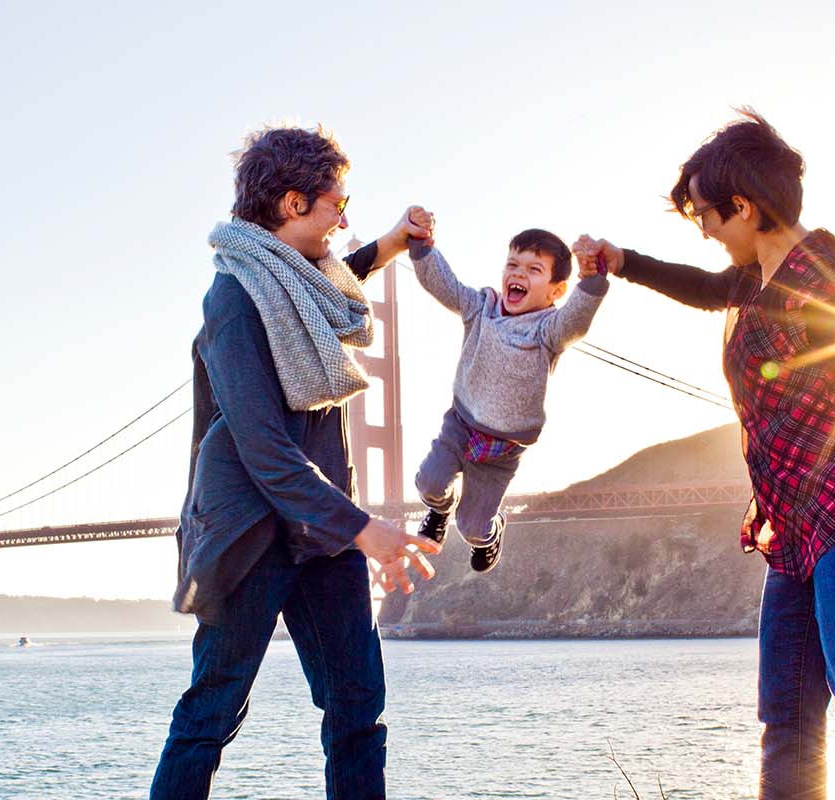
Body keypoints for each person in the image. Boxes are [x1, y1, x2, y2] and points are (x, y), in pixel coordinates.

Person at [573, 110, 835, 800]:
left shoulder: (820, 271)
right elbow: (698, 287)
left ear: (745, 207)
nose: (702, 228)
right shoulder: (752, 276)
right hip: (794, 527)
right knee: (785, 714)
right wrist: (623, 262)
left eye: (705, 214)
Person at [151, 125, 441, 800]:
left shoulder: (299, 284)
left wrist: (395, 243)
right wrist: (364, 528)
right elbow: (264, 451)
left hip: (323, 536)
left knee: (357, 711)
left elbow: (329, 282)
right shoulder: (231, 302)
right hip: (251, 535)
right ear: (292, 204)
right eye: (338, 203)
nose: (346, 217)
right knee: (212, 714)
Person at [405, 211, 609, 571]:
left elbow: (576, 321)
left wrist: (590, 281)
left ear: (556, 290)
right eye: (513, 264)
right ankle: (439, 510)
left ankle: (491, 532)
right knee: (429, 482)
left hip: (503, 447)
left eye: (534, 270)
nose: (518, 274)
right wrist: (422, 246)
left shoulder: (549, 330)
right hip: (462, 423)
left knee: (472, 527)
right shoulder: (480, 308)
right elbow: (445, 286)